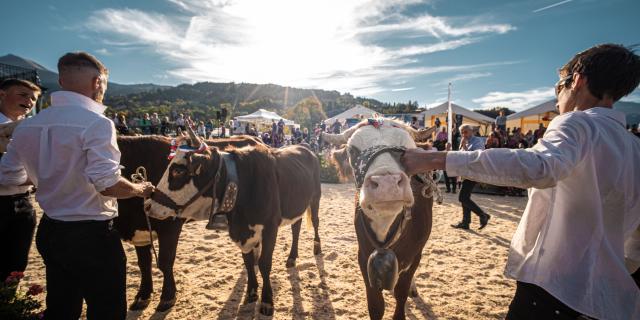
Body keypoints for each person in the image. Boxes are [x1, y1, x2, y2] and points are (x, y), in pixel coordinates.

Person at [401, 43, 640, 320]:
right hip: (611, 298)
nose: (556, 99)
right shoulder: (634, 147)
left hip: (554, 290)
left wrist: (434, 160)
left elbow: (540, 166)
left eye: (558, 87)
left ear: (577, 81)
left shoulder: (576, 123)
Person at [0, 52, 155, 319]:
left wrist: (48, 175)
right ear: (97, 82)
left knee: (62, 307)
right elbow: (107, 184)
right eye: (104, 84)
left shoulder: (27, 126)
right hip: (92, 235)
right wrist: (140, 190)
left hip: (50, 230)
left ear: (61, 79)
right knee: (106, 311)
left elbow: (8, 177)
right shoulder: (97, 123)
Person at [0, 79, 41, 282]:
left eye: (33, 98)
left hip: (24, 203)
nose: (30, 101)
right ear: (2, 95)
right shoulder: (29, 128)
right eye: (23, 95)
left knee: (17, 262)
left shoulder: (30, 129)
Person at [449, 124, 490, 229]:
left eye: (465, 132)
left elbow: (476, 156)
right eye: (462, 132)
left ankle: (483, 215)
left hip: (474, 172)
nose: (463, 134)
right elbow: (461, 157)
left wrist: (465, 148)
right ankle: (465, 222)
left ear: (472, 131)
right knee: (465, 197)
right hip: (466, 173)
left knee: (462, 197)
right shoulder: (465, 141)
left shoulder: (477, 141)